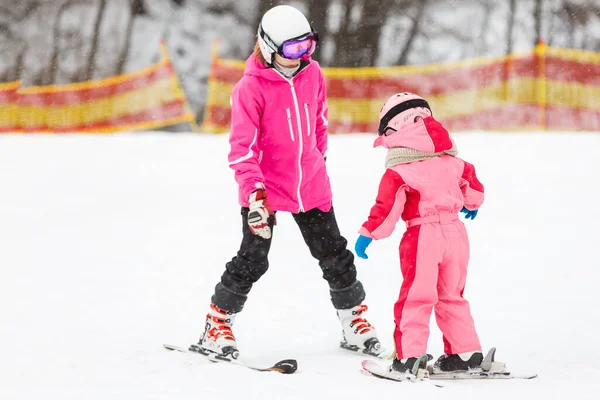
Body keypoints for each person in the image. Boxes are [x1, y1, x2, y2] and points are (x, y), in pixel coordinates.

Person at [190, 4, 382, 360]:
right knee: (253, 258)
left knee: (334, 254)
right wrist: (254, 194)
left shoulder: (313, 74)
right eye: (293, 49)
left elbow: (319, 124)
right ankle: (216, 324)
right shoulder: (250, 89)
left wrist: (317, 162)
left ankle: (354, 321)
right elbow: (241, 149)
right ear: (267, 46)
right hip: (264, 190)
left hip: (310, 185)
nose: (301, 56)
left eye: (308, 45)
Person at [354, 92, 485, 374]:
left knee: (417, 296)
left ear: (397, 128)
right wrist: (472, 203)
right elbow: (471, 181)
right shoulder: (451, 159)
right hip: (456, 233)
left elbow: (386, 207)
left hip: (422, 235)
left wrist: (369, 233)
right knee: (452, 294)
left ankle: (409, 358)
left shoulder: (400, 169)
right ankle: (465, 354)